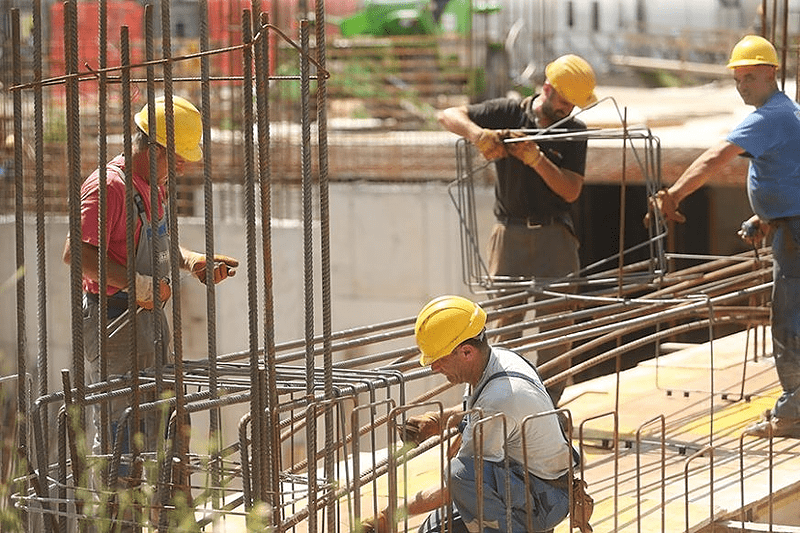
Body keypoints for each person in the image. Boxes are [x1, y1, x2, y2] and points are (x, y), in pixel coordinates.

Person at [62, 95, 239, 468]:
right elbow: (75, 255)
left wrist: (193, 262)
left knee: (156, 429)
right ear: (156, 149)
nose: (183, 170)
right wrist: (137, 285)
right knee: (119, 436)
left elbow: (159, 246)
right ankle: (116, 524)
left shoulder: (152, 187)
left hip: (148, 321)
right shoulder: (108, 187)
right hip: (114, 322)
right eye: (177, 160)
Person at [647, 35, 800, 438]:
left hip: (796, 234)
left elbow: (716, 156)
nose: (743, 85)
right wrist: (766, 218)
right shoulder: (787, 114)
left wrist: (674, 194)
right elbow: (790, 176)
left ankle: (792, 415)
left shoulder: (770, 116)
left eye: (751, 76)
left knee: (789, 324)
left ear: (772, 75)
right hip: (789, 228)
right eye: (738, 78)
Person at [436, 54, 597, 406]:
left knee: (556, 328)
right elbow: (448, 115)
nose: (568, 110)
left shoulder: (572, 131)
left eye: (574, 105)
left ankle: (546, 405)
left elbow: (570, 189)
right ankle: (498, 400)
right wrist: (479, 135)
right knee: (505, 325)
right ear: (547, 89)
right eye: (564, 102)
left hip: (555, 237)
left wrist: (536, 159)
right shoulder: (509, 113)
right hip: (509, 235)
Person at [361, 295, 593, 533]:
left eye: (439, 359)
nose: (434, 367)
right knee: (431, 529)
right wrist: (437, 421)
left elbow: (461, 483)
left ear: (466, 352)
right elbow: (475, 412)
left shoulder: (499, 399)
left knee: (460, 474)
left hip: (545, 499)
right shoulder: (497, 361)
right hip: (525, 480)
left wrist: (393, 513)